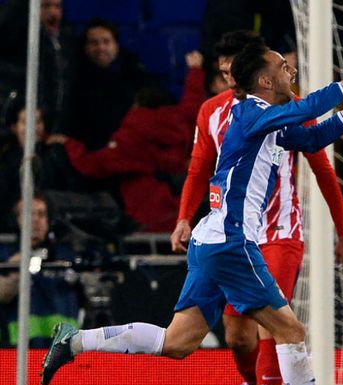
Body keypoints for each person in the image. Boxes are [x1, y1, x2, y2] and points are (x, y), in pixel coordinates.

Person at [41, 38, 343, 385]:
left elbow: (312, 139)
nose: (290, 71)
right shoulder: (252, 114)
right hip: (231, 241)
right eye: (283, 66)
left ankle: (76, 341)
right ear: (265, 80)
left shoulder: (263, 117)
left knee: (178, 342)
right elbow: (307, 109)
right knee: (291, 331)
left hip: (212, 239)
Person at [170, 31, 343, 385]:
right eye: (221, 74)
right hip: (236, 235)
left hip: (281, 233)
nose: (227, 80)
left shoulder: (284, 106)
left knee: (278, 327)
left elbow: (319, 162)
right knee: (238, 337)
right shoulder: (214, 113)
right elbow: (199, 169)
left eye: (232, 71)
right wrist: (185, 216)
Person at [63, 51, 206, 232]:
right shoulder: (181, 120)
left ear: (137, 105)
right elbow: (192, 102)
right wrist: (195, 70)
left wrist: (68, 143)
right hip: (184, 211)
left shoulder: (132, 134)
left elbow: (93, 165)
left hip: (148, 212)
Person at [70, 18, 168, 150]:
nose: (101, 48)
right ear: (86, 48)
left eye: (106, 42)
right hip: (92, 153)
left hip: (131, 150)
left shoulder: (135, 74)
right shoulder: (76, 79)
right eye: (94, 43)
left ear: (116, 45)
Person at [0, 195, 82, 348]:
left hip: (64, 352)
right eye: (29, 214)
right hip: (17, 354)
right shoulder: (6, 257)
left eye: (41, 214)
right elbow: (3, 293)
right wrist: (22, 261)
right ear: (15, 221)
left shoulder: (67, 257)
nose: (36, 220)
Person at [0, 0, 76, 134]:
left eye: (57, 6)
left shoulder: (66, 38)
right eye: (45, 6)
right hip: (17, 128)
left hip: (55, 131)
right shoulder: (17, 38)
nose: (52, 12)